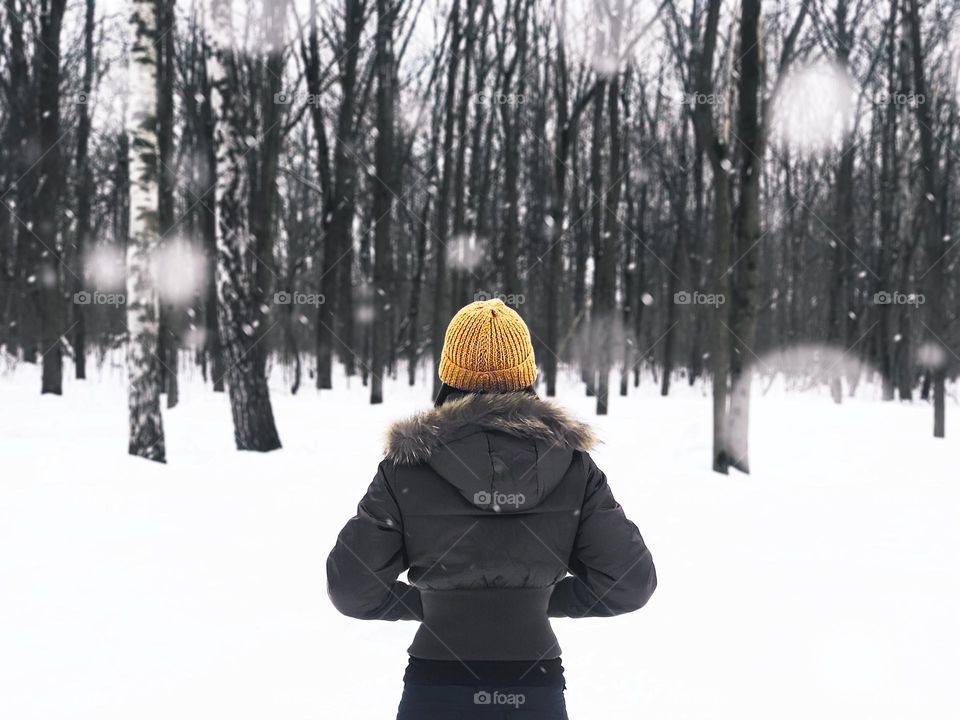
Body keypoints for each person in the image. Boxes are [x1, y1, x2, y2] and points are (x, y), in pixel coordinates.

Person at [327, 299, 657, 719]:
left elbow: (352, 589)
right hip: (533, 686)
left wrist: (435, 605)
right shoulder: (572, 465)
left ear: (448, 374)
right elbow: (630, 583)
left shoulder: (406, 466)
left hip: (435, 686)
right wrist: (536, 601)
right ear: (527, 374)